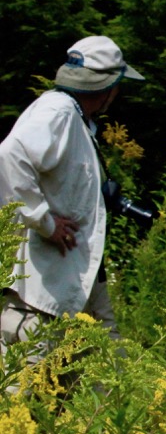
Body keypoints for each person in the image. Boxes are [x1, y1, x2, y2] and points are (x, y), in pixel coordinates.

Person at [1, 36, 144, 366]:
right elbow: (10, 155)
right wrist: (44, 222)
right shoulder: (58, 111)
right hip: (43, 289)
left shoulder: (77, 118)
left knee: (108, 379)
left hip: (79, 279)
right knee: (22, 392)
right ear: (107, 86)